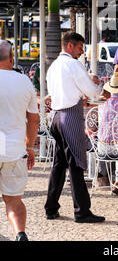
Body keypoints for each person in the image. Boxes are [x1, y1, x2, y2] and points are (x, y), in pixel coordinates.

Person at [44, 31, 105, 224]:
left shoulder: (53, 66)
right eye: (80, 48)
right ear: (70, 46)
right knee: (76, 164)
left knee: (59, 164)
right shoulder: (72, 64)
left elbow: (62, 90)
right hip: (70, 115)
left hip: (55, 116)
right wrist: (101, 90)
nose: (81, 52)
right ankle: (82, 211)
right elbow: (90, 90)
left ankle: (51, 207)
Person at [0, 40, 40, 241]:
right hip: (15, 149)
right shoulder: (23, 81)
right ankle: (20, 234)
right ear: (12, 58)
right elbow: (34, 118)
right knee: (14, 201)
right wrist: (30, 146)